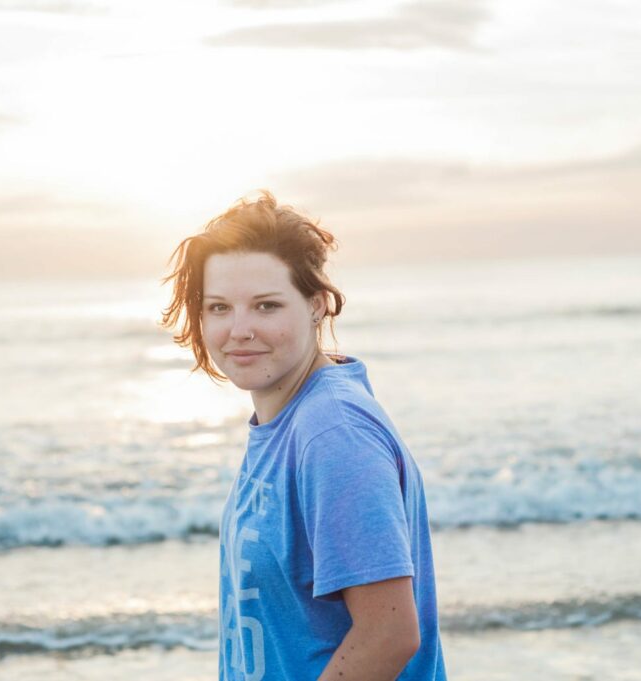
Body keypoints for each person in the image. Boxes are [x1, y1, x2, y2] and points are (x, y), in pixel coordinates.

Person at [159, 189, 447, 680]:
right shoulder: (287, 421)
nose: (239, 329)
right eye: (219, 307)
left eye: (267, 306)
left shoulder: (333, 433)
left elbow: (390, 633)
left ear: (316, 305)